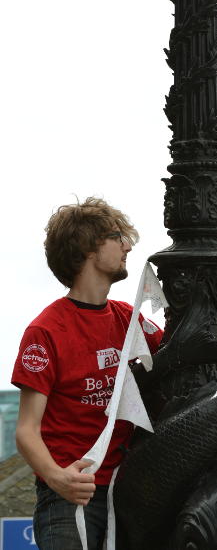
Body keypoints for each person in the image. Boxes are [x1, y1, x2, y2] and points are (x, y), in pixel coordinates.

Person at [11, 197, 163, 550]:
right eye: (117, 237)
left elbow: (182, 350)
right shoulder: (45, 331)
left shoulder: (130, 319)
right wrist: (57, 478)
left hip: (131, 493)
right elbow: (26, 431)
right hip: (70, 498)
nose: (127, 246)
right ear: (88, 248)